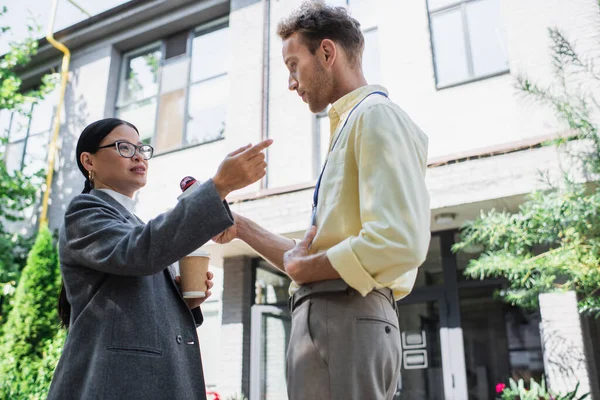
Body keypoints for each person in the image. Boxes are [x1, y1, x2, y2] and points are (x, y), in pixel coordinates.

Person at [212, 2, 430, 399]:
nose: (291, 83)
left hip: (346, 317)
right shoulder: (351, 124)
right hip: (335, 317)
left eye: (294, 65)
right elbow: (305, 262)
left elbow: (400, 239)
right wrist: (241, 226)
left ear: (326, 53)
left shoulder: (375, 116)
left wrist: (310, 268)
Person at [47, 118, 271, 400]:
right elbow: (139, 253)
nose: (139, 155)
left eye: (141, 148)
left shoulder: (135, 224)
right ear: (88, 161)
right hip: (117, 384)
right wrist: (217, 187)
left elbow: (140, 274)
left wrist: (184, 302)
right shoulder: (84, 211)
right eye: (124, 147)